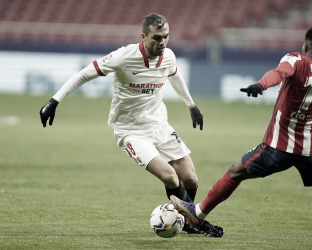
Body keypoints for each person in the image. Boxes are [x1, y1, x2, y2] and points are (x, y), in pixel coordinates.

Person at [170, 26, 312, 242]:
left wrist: (261, 84)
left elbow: (279, 73)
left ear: (305, 46)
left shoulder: (296, 60)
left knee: (235, 172)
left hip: (278, 148)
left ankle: (198, 213)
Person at [39, 13, 223, 237]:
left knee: (191, 178)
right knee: (169, 176)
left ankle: (185, 221)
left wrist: (192, 106)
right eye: (157, 38)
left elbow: (174, 77)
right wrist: (54, 101)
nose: (162, 42)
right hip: (131, 131)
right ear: (143, 36)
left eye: (166, 37)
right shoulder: (123, 57)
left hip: (159, 125)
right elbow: (83, 74)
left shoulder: (169, 56)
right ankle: (198, 223)